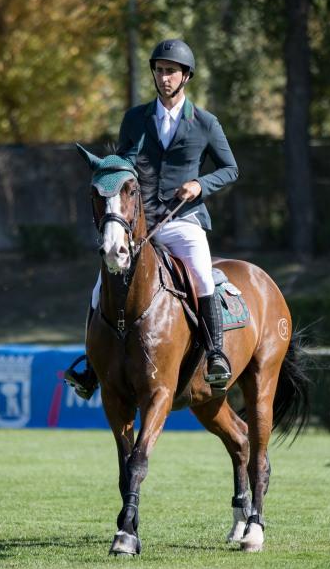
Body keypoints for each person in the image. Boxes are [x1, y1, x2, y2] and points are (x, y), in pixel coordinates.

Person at [65, 38, 239, 399]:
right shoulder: (134, 119)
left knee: (203, 276)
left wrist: (199, 185)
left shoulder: (205, 123)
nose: (164, 78)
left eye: (171, 72)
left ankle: (216, 353)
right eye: (160, 71)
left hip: (182, 220)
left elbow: (230, 168)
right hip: (139, 224)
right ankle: (90, 366)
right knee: (101, 288)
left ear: (186, 76)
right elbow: (124, 167)